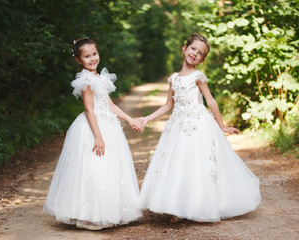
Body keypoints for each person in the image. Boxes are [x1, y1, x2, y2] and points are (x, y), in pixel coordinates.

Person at [137, 33, 261, 223]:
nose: (195, 53)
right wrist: (147, 118)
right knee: (179, 164)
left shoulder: (198, 76)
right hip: (178, 126)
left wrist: (222, 125)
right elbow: (168, 106)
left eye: (200, 53)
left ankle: (201, 206)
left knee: (198, 164)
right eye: (193, 48)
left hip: (198, 124)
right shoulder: (173, 79)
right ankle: (178, 207)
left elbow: (210, 101)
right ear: (184, 49)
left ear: (202, 60)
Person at [43, 37, 143, 230]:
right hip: (94, 126)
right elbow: (89, 109)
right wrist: (98, 136)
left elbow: (110, 105)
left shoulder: (100, 78)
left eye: (94, 54)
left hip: (108, 124)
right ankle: (88, 215)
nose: (92, 58)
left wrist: (130, 120)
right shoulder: (86, 80)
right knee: (94, 167)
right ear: (79, 60)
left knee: (109, 168)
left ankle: (108, 210)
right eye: (86, 56)